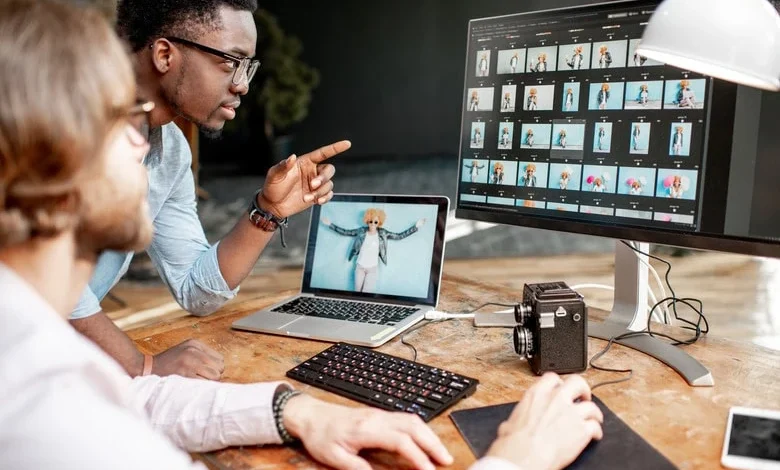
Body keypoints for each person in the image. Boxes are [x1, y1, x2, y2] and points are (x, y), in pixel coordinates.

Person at [0, 2, 609, 470]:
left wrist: (296, 411)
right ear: (49, 163)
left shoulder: (41, 350)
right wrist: (515, 460)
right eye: (123, 120)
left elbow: (138, 390)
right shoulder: (45, 407)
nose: (146, 141)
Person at [67, 0, 351, 380]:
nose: (242, 84)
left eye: (248, 66)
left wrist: (267, 211)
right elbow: (42, 284)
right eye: (230, 61)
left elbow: (195, 290)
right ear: (165, 54)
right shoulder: (62, 125)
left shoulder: (168, 152)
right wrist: (142, 364)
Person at [321, 210, 424, 292]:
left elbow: (399, 236)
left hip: (372, 269)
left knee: (366, 293)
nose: (373, 224)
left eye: (376, 222)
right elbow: (345, 232)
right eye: (371, 221)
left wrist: (415, 227)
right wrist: (330, 224)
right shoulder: (361, 231)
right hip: (360, 267)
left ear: (379, 222)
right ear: (367, 221)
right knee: (357, 293)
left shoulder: (383, 233)